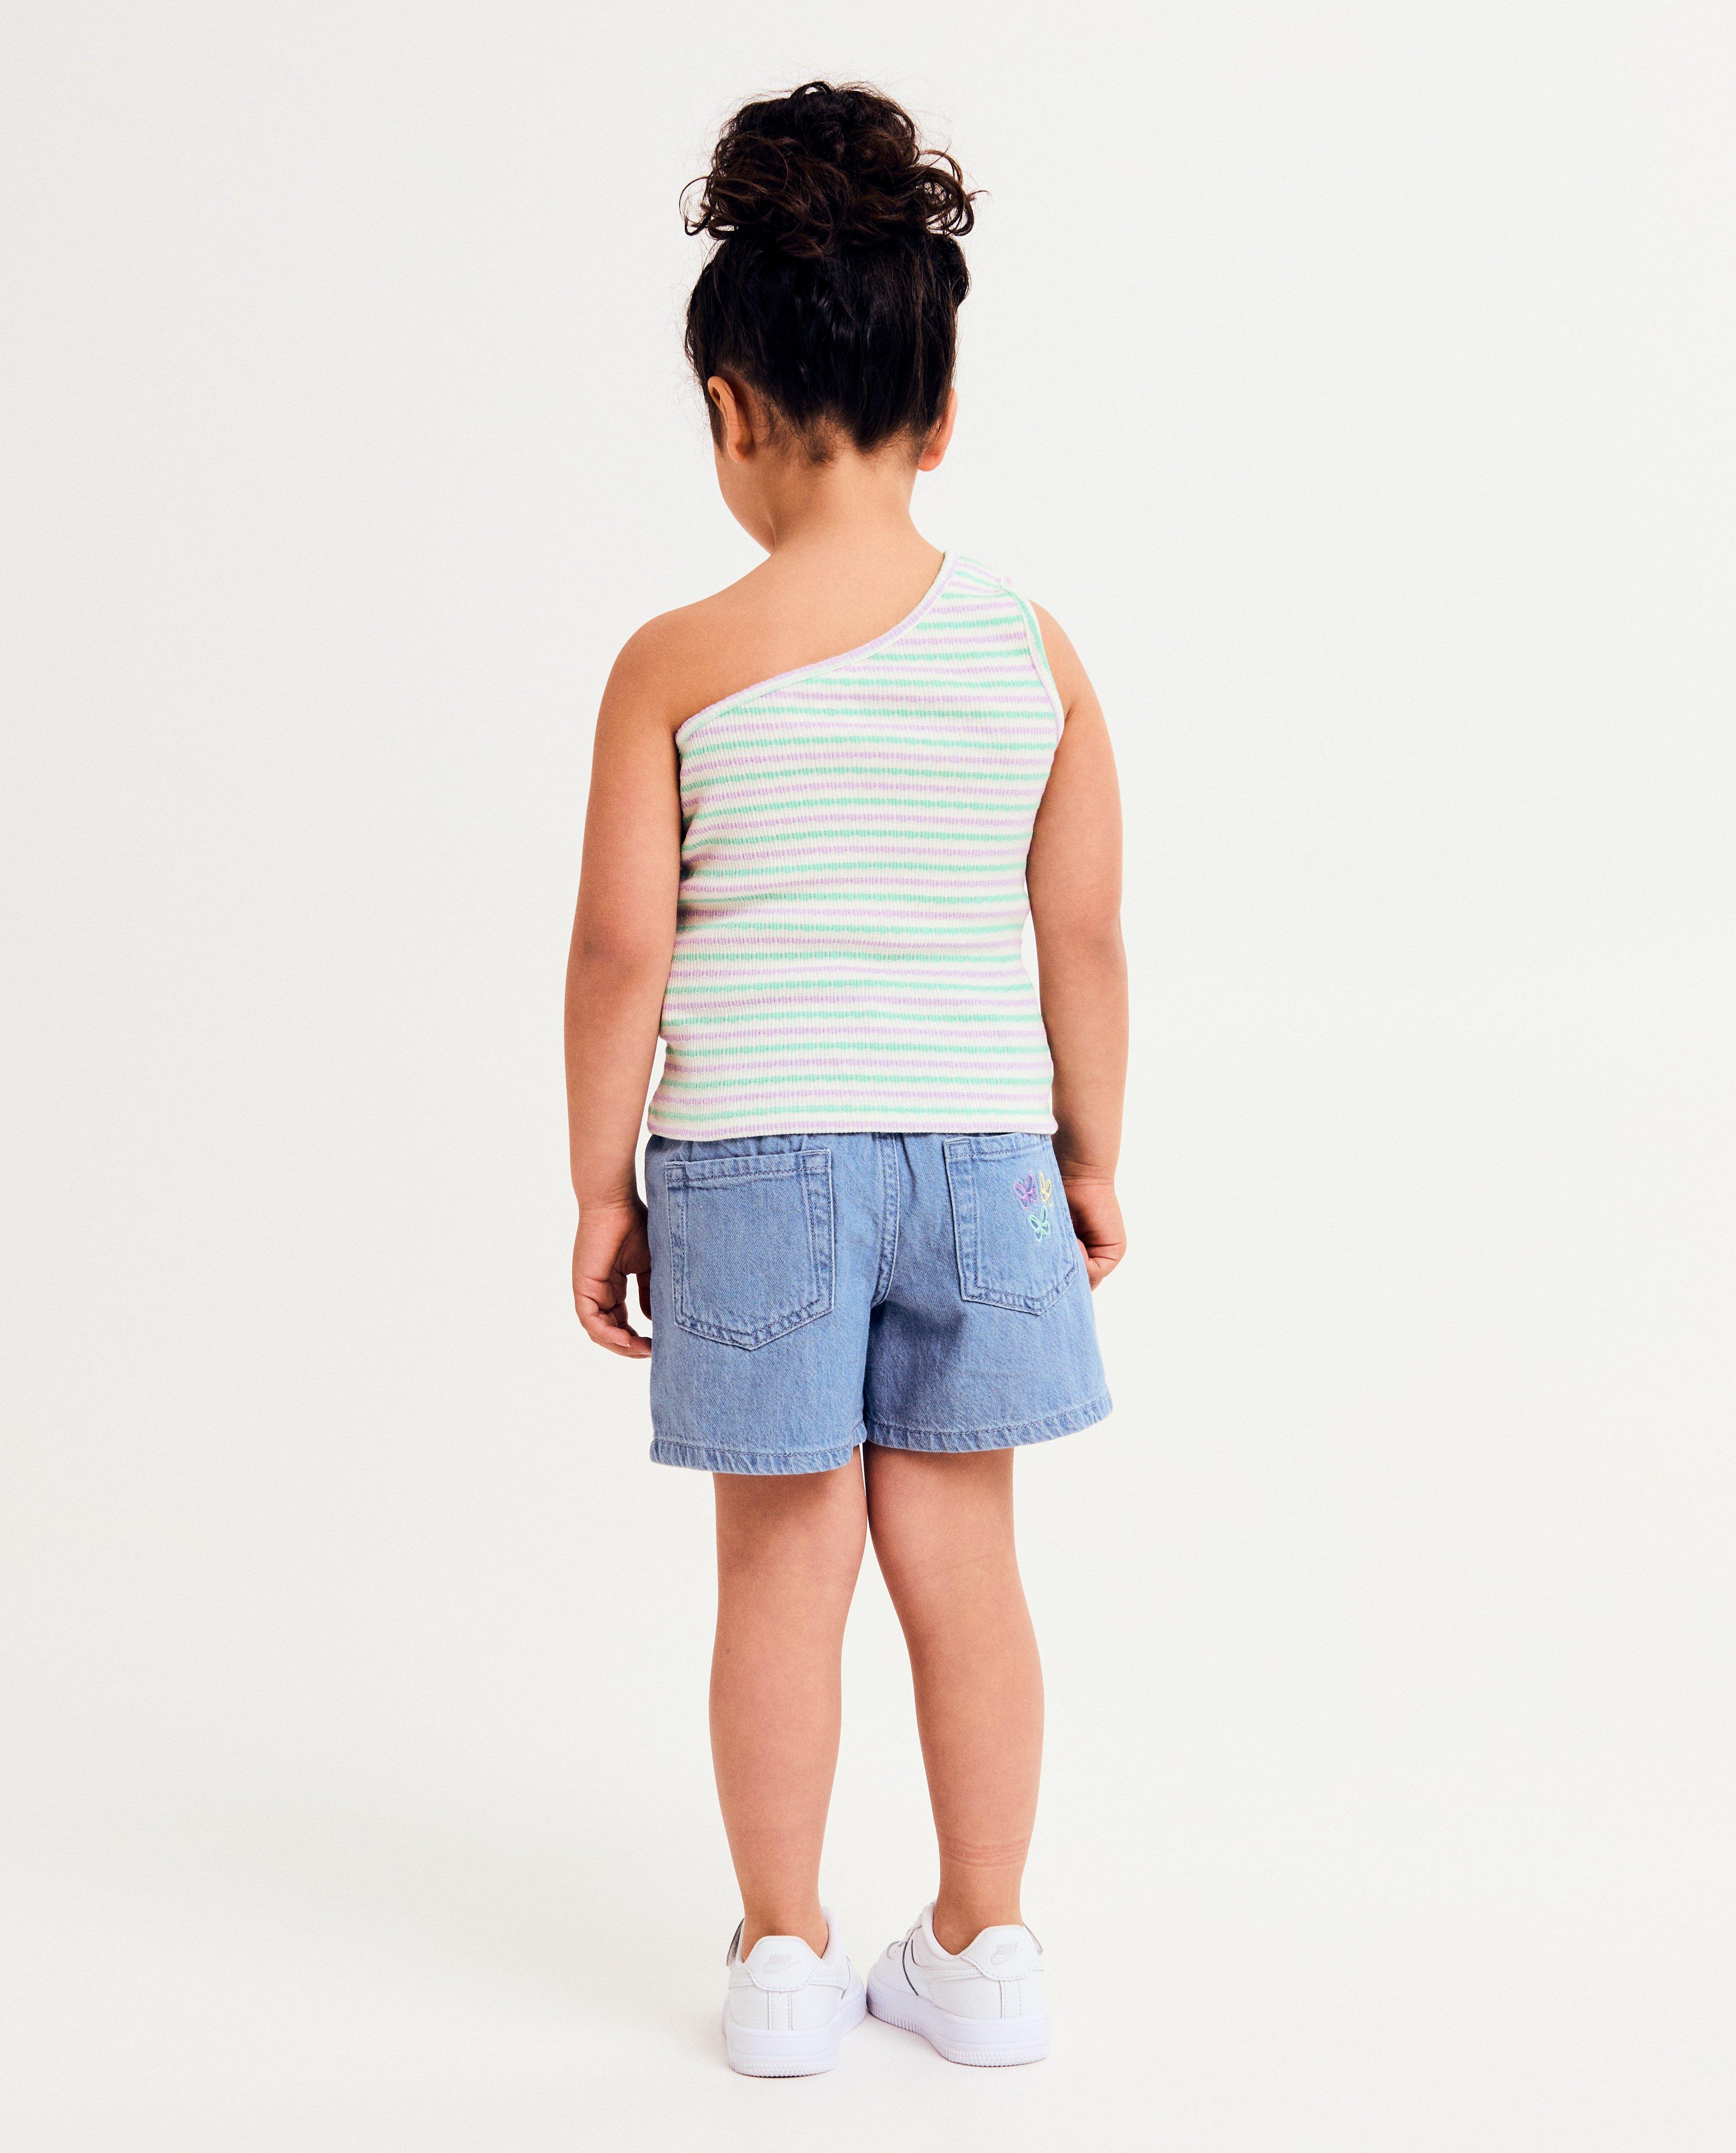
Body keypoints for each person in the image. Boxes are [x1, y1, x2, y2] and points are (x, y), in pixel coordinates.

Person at [564, 80, 1126, 2077]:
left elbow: (622, 952)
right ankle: (983, 1943)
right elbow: (1080, 937)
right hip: (981, 1157)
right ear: (938, 407)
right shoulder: (1031, 653)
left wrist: (600, 1183)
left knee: (777, 1574)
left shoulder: (674, 664)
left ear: (727, 409)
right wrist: (1091, 1152)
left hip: (750, 1163)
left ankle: (784, 1957)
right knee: (966, 1568)